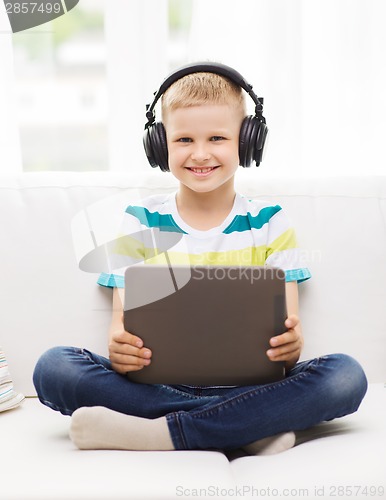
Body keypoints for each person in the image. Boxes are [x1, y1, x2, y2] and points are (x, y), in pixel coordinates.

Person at [33, 62, 367, 454]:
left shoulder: (270, 222)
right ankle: (246, 427)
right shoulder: (138, 221)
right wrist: (121, 351)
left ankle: (162, 432)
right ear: (160, 145)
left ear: (247, 140)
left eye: (217, 138)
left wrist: (289, 347)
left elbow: (285, 337)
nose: (201, 153)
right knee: (54, 367)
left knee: (346, 376)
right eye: (184, 140)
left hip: (252, 385)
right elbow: (120, 333)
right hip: (156, 384)